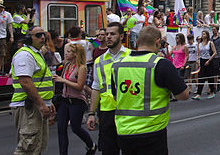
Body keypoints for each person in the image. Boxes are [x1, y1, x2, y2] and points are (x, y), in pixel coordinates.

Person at [111, 25, 189, 155]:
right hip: (152, 132)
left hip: (124, 132)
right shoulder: (161, 64)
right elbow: (183, 95)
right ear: (158, 42)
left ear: (137, 42)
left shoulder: (117, 65)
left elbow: (115, 97)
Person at [10, 26, 55, 155]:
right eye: (38, 35)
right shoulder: (25, 55)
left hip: (36, 105)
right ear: (29, 38)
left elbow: (39, 82)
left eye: (44, 35)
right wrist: (41, 104)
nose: (42, 38)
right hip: (29, 107)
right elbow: (25, 82)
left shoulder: (36, 54)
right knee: (27, 147)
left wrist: (47, 102)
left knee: (37, 146)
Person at [87, 22, 130, 155]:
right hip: (107, 112)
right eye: (107, 34)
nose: (108, 37)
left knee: (130, 150)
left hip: (128, 111)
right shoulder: (99, 60)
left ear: (121, 36)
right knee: (109, 151)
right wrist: (91, 114)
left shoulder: (131, 56)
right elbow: (96, 87)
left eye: (112, 34)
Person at [54, 43, 96, 154]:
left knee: (75, 127)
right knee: (61, 128)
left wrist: (63, 81)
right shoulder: (67, 65)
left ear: (75, 54)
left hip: (77, 101)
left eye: (68, 52)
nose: (66, 54)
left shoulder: (81, 68)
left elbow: (79, 86)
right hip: (65, 100)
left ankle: (91, 145)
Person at [193, 30, 217, 99]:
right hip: (202, 60)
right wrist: (197, 59)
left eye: (204, 34)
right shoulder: (199, 44)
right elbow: (198, 53)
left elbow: (215, 52)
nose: (202, 35)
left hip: (209, 60)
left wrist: (209, 60)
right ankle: (198, 93)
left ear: (207, 35)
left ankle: (212, 92)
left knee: (210, 77)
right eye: (202, 34)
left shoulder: (210, 43)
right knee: (201, 77)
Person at [210, 26, 220, 92]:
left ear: (217, 30)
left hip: (217, 56)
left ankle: (214, 87)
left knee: (215, 72)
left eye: (214, 29)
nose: (213, 31)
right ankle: (217, 83)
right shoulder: (211, 38)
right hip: (211, 56)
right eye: (212, 29)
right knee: (211, 72)